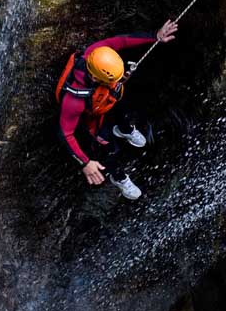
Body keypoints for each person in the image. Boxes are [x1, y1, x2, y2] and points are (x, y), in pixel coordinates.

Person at [56, 20, 178, 200]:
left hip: (107, 101)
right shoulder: (74, 100)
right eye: (111, 80)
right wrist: (85, 163)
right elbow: (65, 133)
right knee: (109, 149)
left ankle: (124, 129)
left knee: (122, 100)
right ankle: (118, 177)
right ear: (96, 78)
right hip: (91, 119)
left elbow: (121, 41)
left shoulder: (96, 53)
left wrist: (155, 36)